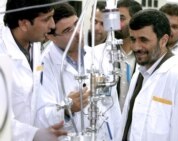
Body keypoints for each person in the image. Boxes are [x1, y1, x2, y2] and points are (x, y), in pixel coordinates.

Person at [116, 9, 178, 141]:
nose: (136, 47)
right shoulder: (140, 73)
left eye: (143, 40)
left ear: (163, 40)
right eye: (133, 39)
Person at [35, 3, 121, 141]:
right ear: (50, 36)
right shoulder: (43, 67)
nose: (77, 33)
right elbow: (40, 118)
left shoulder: (98, 57)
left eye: (77, 24)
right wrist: (67, 109)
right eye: (68, 30)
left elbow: (113, 109)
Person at [0, 0, 67, 141]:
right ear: (24, 24)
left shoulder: (34, 45)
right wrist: (34, 135)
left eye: (52, 16)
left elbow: (33, 101)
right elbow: (2, 123)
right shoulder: (2, 54)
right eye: (46, 19)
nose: (53, 25)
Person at [114, 0, 142, 110]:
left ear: (136, 21)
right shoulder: (103, 55)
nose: (116, 23)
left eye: (121, 18)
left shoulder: (145, 55)